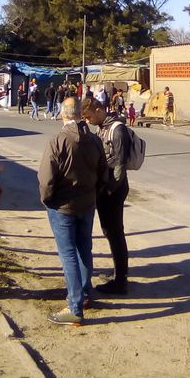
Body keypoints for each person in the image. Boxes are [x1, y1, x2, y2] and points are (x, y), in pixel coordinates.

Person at [38, 97, 108, 325]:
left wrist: (47, 201)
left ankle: (75, 306)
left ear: (63, 114)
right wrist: (93, 194)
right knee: (84, 249)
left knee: (68, 254)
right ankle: (85, 294)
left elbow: (46, 180)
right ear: (80, 113)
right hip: (87, 204)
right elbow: (103, 174)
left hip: (63, 207)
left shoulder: (57, 141)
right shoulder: (95, 140)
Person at [82, 97, 131, 295]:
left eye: (89, 117)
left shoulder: (117, 130)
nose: (87, 121)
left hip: (114, 189)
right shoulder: (102, 126)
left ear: (99, 110)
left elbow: (120, 165)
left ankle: (121, 282)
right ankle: (118, 273)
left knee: (115, 233)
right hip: (105, 187)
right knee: (109, 232)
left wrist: (109, 190)